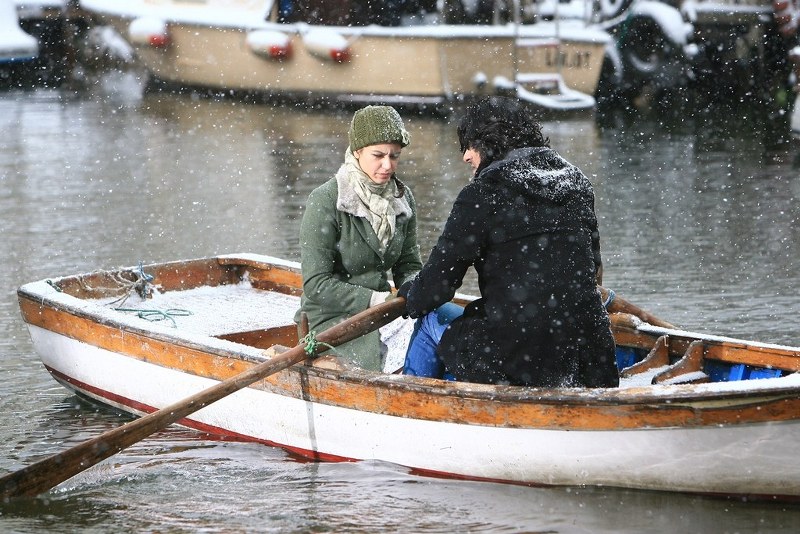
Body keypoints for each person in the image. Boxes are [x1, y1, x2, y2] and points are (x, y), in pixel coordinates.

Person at [399, 96, 618, 388]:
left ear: (489, 143)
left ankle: (414, 409)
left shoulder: (481, 195)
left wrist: (411, 295)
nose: (465, 156)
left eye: (470, 145)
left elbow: (437, 286)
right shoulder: (576, 182)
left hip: (520, 361)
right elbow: (593, 273)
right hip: (592, 358)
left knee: (428, 318)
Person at [295, 105, 422, 371]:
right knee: (405, 355)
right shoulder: (326, 200)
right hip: (334, 322)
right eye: (378, 155)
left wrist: (413, 291)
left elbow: (409, 265)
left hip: (384, 312)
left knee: (441, 332)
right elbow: (315, 285)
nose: (387, 165)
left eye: (394, 156)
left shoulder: (403, 198)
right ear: (357, 151)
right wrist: (375, 300)